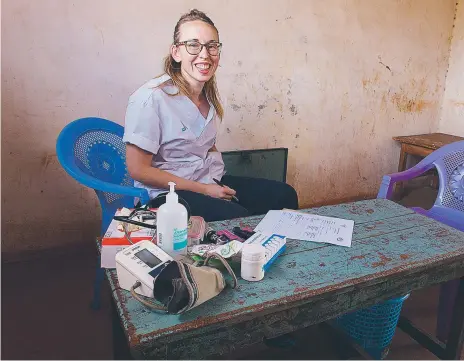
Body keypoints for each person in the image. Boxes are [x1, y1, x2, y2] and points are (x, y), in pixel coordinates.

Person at [123, 9, 298, 222]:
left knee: (284, 195)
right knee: (237, 218)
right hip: (165, 196)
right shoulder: (150, 98)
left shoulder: (207, 96)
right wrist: (204, 190)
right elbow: (138, 170)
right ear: (176, 52)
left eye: (212, 46)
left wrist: (213, 185)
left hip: (207, 181)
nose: (204, 54)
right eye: (193, 45)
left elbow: (205, 146)